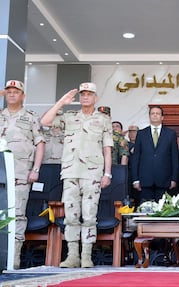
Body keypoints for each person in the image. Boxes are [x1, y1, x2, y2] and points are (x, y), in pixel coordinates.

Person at [41, 82, 113, 268]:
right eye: (83, 94)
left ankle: (86, 255)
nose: (85, 97)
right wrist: (61, 103)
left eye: (89, 94)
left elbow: (107, 149)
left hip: (93, 173)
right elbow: (45, 122)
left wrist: (107, 173)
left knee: (89, 215)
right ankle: (72, 255)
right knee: (71, 216)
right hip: (71, 172)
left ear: (96, 98)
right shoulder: (69, 117)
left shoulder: (103, 119)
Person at [0, 80, 45, 269]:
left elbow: (40, 143)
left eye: (15, 91)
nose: (11, 94)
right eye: (8, 91)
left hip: (20, 173)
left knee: (17, 214)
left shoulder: (31, 117)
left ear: (23, 95)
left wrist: (35, 169)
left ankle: (13, 259)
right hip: (0, 172)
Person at [131, 106, 179, 204]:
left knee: (163, 211)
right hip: (145, 180)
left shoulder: (171, 134)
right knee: (145, 210)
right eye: (152, 113)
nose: (155, 115)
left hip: (164, 180)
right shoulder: (141, 133)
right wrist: (135, 179)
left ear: (162, 117)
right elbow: (136, 158)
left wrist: (174, 178)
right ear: (149, 117)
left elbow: (174, 158)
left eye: (158, 113)